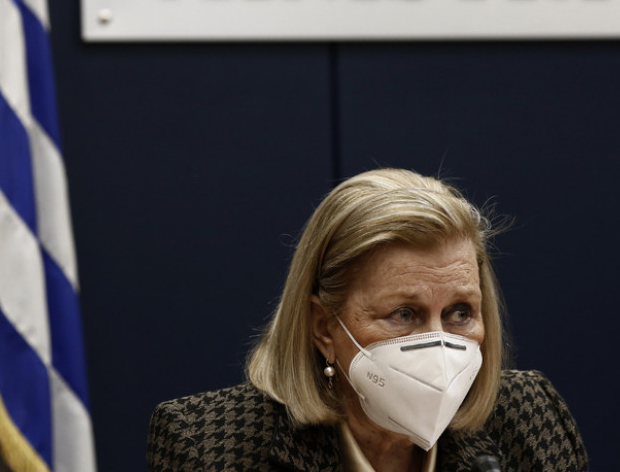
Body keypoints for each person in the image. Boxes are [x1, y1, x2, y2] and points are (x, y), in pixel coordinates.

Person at [147, 168, 589, 472]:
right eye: (404, 314)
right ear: (323, 328)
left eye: (460, 312)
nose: (439, 346)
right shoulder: (210, 447)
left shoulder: (527, 418)